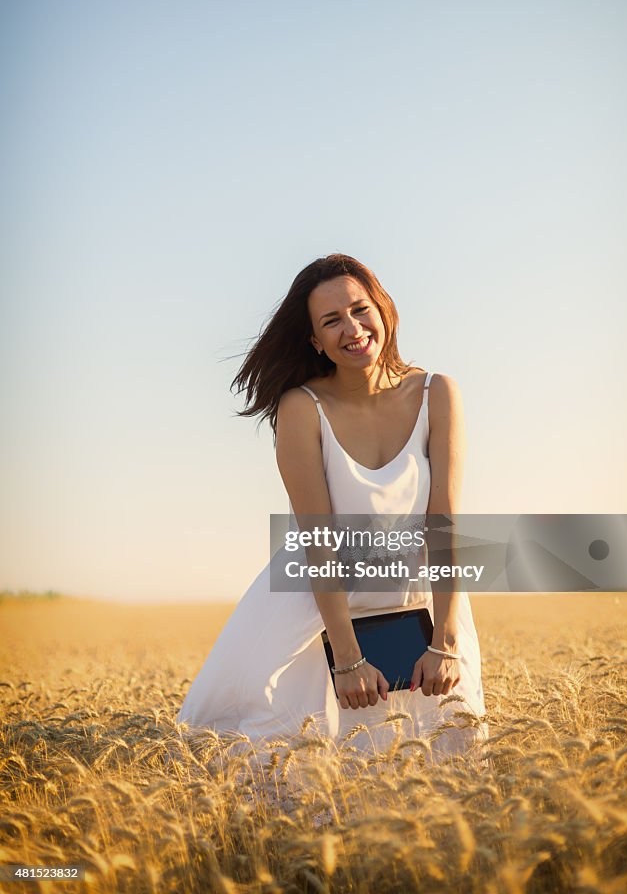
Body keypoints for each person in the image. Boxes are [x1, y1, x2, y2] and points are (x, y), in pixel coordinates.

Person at [176, 254, 486, 758]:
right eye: (331, 321)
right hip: (318, 611)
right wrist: (346, 659)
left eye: (360, 309)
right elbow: (317, 540)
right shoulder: (302, 408)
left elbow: (444, 524)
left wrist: (445, 641)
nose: (353, 328)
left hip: (422, 604)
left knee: (446, 759)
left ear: (384, 310)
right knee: (293, 766)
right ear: (315, 341)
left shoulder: (438, 394)